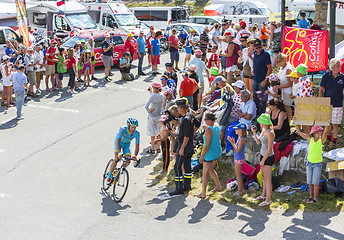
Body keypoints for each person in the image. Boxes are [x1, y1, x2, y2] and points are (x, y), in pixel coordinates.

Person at [169, 98, 199, 195]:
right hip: (190, 145)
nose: (177, 110)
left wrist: (182, 148)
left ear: (181, 108)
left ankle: (179, 188)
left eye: (178, 108)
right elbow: (197, 124)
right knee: (187, 166)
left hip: (184, 145)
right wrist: (192, 133)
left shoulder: (185, 120)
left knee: (177, 167)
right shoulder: (190, 115)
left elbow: (185, 136)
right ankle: (187, 185)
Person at [295, 125, 328, 203]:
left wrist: (327, 124)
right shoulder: (310, 139)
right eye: (319, 131)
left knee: (315, 182)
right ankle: (310, 197)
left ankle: (315, 198)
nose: (321, 132)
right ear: (315, 132)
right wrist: (296, 123)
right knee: (309, 182)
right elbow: (299, 132)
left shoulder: (321, 140)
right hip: (309, 163)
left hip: (317, 164)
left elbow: (326, 132)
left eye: (321, 131)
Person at [106, 118, 140, 184]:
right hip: (119, 143)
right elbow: (118, 141)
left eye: (135, 127)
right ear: (128, 126)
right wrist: (119, 152)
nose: (134, 129)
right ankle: (109, 176)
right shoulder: (122, 129)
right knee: (116, 158)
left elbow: (137, 146)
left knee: (128, 161)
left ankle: (119, 173)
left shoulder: (137, 133)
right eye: (132, 127)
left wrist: (135, 155)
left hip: (126, 145)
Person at [319, 58, 344, 149]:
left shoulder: (342, 77)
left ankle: (334, 141)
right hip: (327, 104)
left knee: (335, 124)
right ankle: (328, 140)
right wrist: (321, 102)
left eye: (340, 66)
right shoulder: (326, 76)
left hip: (338, 104)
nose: (339, 67)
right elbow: (321, 90)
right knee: (327, 123)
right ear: (332, 67)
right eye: (338, 66)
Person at [252, 113, 275, 207]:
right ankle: (263, 195)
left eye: (261, 122)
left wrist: (263, 160)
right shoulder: (263, 130)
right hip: (263, 155)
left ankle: (268, 200)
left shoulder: (270, 133)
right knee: (264, 177)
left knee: (268, 178)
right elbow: (258, 142)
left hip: (268, 157)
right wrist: (254, 132)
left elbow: (270, 148)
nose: (260, 124)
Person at [197, 113, 222, 198]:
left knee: (205, 173)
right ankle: (218, 186)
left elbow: (207, 146)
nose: (204, 121)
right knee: (211, 169)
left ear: (210, 120)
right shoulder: (217, 125)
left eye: (206, 119)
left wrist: (202, 156)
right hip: (216, 151)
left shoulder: (208, 130)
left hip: (209, 153)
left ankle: (203, 193)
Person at [252, 38, 272, 117]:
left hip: (262, 80)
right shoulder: (255, 53)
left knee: (262, 99)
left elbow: (270, 68)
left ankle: (262, 114)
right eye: (256, 48)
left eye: (259, 47)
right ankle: (257, 113)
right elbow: (254, 62)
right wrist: (252, 69)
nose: (258, 49)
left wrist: (265, 79)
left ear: (262, 46)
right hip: (255, 79)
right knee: (255, 97)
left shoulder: (266, 54)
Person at [227, 123, 247, 196]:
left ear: (241, 130)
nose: (235, 130)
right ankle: (241, 190)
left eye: (237, 129)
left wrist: (232, 143)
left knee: (238, 175)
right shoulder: (240, 138)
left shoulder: (242, 139)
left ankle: (240, 191)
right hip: (238, 157)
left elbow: (238, 150)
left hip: (239, 158)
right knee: (238, 174)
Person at [273, 53, 294, 121]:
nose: (277, 63)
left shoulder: (288, 69)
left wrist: (279, 86)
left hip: (288, 91)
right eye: (276, 61)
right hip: (284, 91)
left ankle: (288, 122)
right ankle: (286, 121)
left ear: (283, 61)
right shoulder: (282, 67)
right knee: (284, 107)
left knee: (287, 107)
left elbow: (290, 83)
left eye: (278, 61)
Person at [145, 82, 165, 154]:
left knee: (152, 134)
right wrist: (151, 93)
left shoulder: (153, 96)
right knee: (159, 133)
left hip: (152, 116)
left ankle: (152, 149)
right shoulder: (162, 95)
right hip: (159, 116)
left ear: (155, 88)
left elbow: (146, 106)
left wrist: (150, 112)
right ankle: (158, 148)